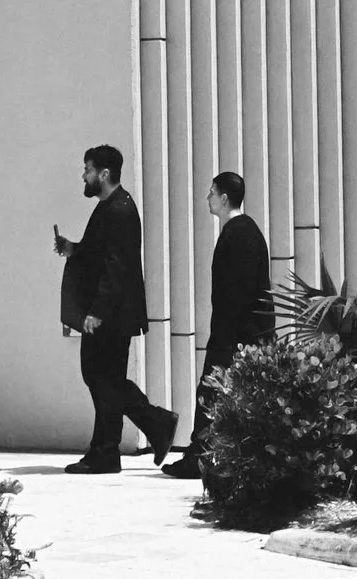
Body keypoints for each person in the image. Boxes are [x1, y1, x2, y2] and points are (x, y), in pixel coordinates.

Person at [52, 142, 175, 474]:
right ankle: (124, 440)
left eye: (88, 169)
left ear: (104, 174)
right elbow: (99, 254)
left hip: (112, 314)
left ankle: (117, 445)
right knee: (104, 378)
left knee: (102, 378)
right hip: (111, 312)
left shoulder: (119, 209)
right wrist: (73, 249)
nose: (84, 175)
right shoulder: (110, 207)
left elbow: (115, 267)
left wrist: (97, 311)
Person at [164, 170, 276, 477]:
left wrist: (232, 338)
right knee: (219, 393)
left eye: (211, 193)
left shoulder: (238, 233)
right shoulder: (244, 230)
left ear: (224, 198)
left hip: (237, 333)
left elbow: (237, 292)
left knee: (211, 391)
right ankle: (204, 454)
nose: (207, 198)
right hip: (241, 331)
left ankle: (200, 457)